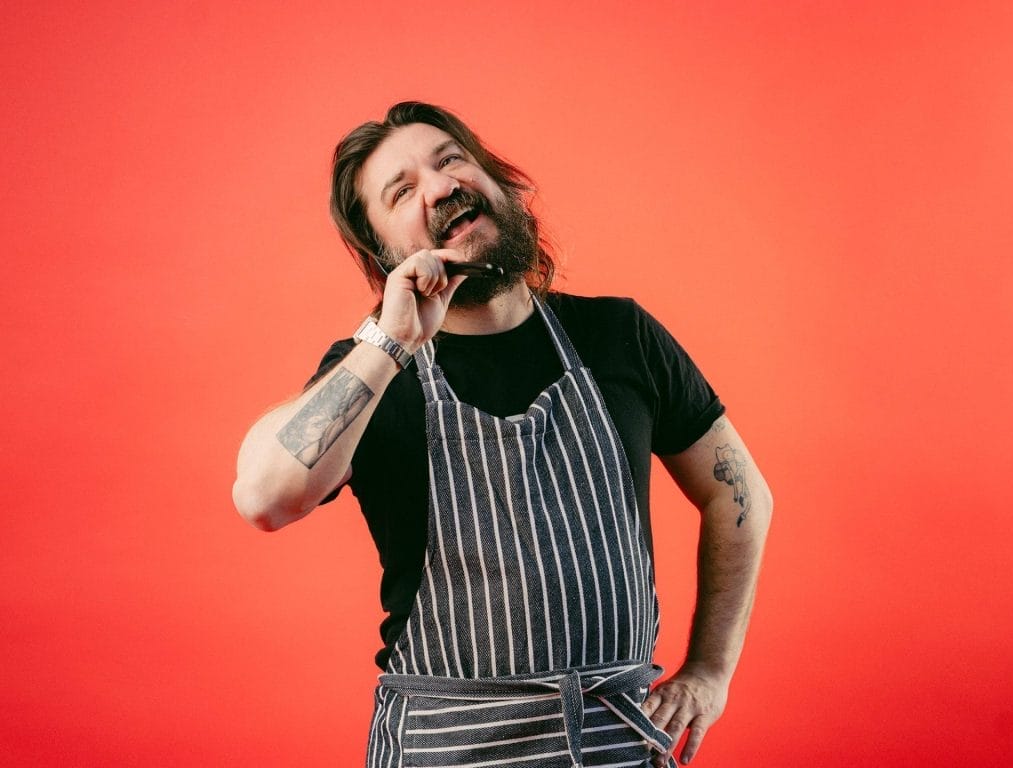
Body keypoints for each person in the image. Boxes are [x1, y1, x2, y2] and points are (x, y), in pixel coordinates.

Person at [233, 102, 772, 768]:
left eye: (450, 159)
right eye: (401, 191)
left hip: (615, 741)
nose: (438, 186)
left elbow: (742, 494)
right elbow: (262, 497)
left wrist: (710, 670)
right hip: (446, 747)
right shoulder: (372, 374)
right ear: (384, 253)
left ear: (496, 183)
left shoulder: (619, 337)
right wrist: (391, 340)